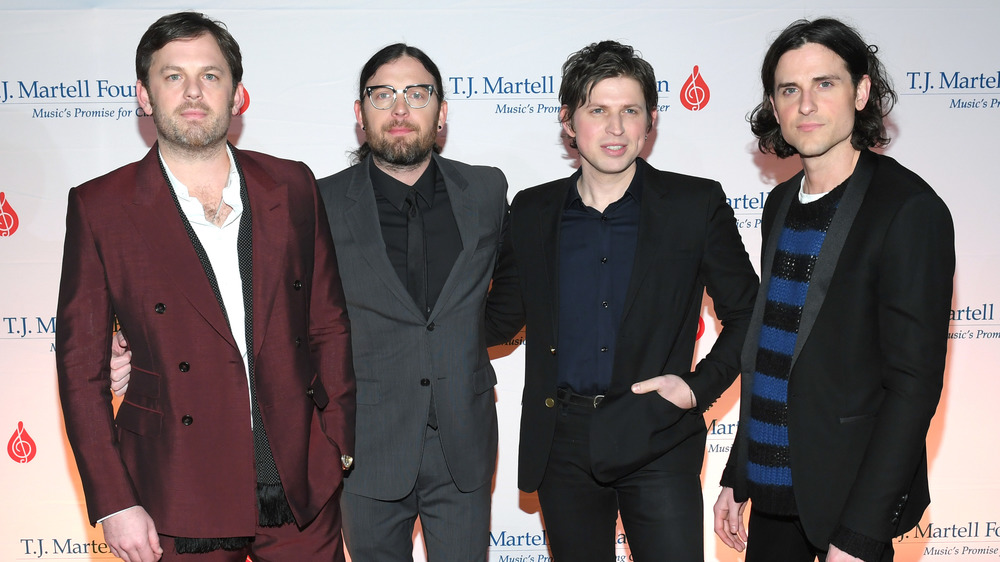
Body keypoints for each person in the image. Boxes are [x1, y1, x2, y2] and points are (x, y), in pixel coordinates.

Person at [56, 12, 355, 561]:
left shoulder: (291, 185)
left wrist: (337, 443)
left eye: (211, 76)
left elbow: (328, 323)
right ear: (143, 95)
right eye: (173, 76)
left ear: (238, 93)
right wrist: (115, 501)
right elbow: (81, 368)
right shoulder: (101, 206)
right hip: (175, 493)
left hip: (298, 488)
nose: (193, 92)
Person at [485, 40, 758, 561]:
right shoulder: (533, 209)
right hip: (561, 441)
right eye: (598, 110)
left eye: (630, 111)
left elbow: (750, 313)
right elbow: (502, 317)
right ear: (568, 121)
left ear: (650, 121)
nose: (615, 128)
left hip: (657, 432)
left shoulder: (694, 205)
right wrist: (414, 323)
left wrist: (698, 388)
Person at [713, 18, 955, 562]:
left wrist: (862, 533)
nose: (806, 105)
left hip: (847, 504)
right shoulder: (778, 205)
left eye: (825, 83)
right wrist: (739, 473)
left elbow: (914, 387)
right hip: (773, 498)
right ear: (774, 107)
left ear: (861, 91)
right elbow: (772, 351)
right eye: (789, 90)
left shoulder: (908, 210)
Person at [315, 44, 508, 561]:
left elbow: (510, 289)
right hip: (366, 444)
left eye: (417, 94)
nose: (400, 110)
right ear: (360, 114)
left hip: (462, 442)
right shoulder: (321, 202)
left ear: (441, 113)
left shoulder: (487, 189)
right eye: (383, 95)